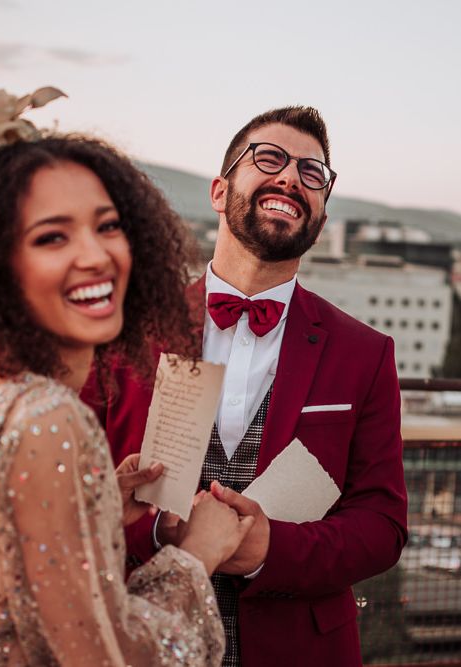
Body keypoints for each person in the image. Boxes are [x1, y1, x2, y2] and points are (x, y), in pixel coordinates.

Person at [0, 122, 255, 665]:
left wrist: (96, 506)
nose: (96, 255)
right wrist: (196, 556)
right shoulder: (46, 417)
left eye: (107, 226)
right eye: (52, 237)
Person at [81, 106, 408, 667]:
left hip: (301, 649)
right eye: (269, 158)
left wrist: (268, 551)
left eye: (312, 173)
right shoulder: (119, 333)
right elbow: (74, 496)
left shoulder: (366, 353)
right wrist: (158, 530)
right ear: (219, 190)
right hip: (141, 636)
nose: (289, 178)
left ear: (322, 217)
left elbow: (382, 524)